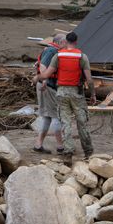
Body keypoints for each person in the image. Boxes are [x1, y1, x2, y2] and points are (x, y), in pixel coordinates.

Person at [38, 32, 95, 165]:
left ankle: (68, 153)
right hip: (76, 93)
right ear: (76, 41)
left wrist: (40, 79)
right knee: (82, 122)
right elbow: (89, 79)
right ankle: (88, 152)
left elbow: (47, 72)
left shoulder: (58, 55)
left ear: (66, 41)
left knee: (66, 123)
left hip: (61, 92)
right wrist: (92, 94)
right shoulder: (82, 56)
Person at [31, 33, 65, 154]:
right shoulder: (51, 51)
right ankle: (61, 146)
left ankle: (38, 144)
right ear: (60, 42)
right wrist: (45, 79)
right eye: (65, 43)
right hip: (48, 86)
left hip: (45, 86)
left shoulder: (51, 50)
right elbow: (43, 66)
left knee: (46, 117)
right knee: (56, 116)